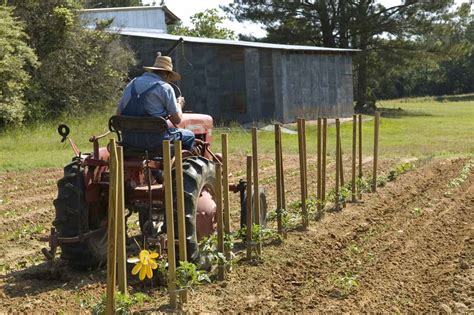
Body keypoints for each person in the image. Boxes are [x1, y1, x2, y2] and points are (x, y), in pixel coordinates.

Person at [117, 52, 195, 151]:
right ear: (167, 75)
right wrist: (179, 104)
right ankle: (179, 164)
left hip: (129, 140)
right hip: (155, 141)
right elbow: (177, 120)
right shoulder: (165, 88)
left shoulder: (131, 84)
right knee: (189, 135)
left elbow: (118, 115)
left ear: (153, 71)